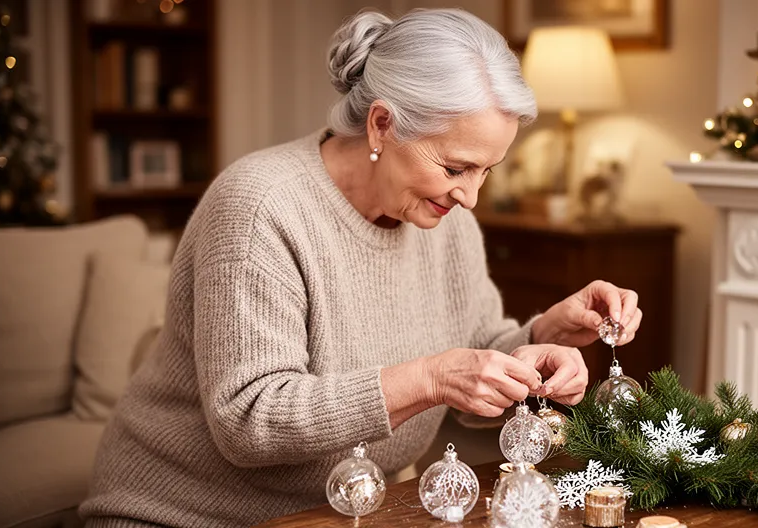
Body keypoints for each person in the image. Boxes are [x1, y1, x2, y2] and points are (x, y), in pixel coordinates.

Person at [79, 7, 643, 527]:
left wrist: (543, 335)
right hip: (182, 512)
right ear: (380, 125)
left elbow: (470, 370)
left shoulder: (445, 220)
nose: (469, 196)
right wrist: (430, 377)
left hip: (348, 510)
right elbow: (248, 422)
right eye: (455, 167)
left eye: (486, 171)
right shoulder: (259, 207)